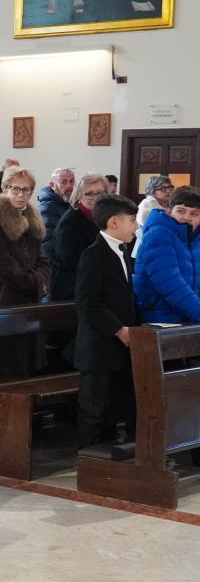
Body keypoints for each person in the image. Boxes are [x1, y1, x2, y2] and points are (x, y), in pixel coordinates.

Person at [74, 195, 139, 448]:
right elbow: (88, 303)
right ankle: (89, 457)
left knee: (114, 408)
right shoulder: (94, 255)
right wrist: (118, 329)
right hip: (98, 347)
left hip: (120, 346)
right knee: (95, 409)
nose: (136, 226)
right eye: (132, 220)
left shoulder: (124, 252)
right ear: (114, 222)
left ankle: (108, 460)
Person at [0, 167, 51, 375]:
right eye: (15, 189)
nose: (20, 194)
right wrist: (37, 283)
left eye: (26, 190)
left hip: (31, 300)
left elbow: (43, 260)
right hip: (4, 298)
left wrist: (43, 280)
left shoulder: (33, 222)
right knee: (5, 364)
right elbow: (2, 267)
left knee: (30, 366)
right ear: (5, 189)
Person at [133, 186, 200, 324]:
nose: (187, 218)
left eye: (194, 214)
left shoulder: (195, 238)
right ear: (168, 210)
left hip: (188, 316)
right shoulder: (158, 234)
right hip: (160, 317)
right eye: (181, 211)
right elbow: (170, 283)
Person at [51, 173, 108, 301]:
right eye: (89, 194)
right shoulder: (69, 222)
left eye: (99, 193)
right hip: (74, 291)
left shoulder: (102, 218)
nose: (95, 198)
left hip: (94, 287)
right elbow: (71, 260)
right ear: (79, 196)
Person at [37, 167, 74, 261]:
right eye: (63, 182)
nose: (69, 186)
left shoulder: (71, 204)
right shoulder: (47, 207)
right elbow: (48, 245)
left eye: (71, 181)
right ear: (52, 185)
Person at [134, 175, 173, 255]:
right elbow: (151, 225)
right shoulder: (148, 203)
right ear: (153, 190)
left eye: (170, 187)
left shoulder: (168, 204)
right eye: (163, 188)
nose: (168, 191)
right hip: (148, 247)